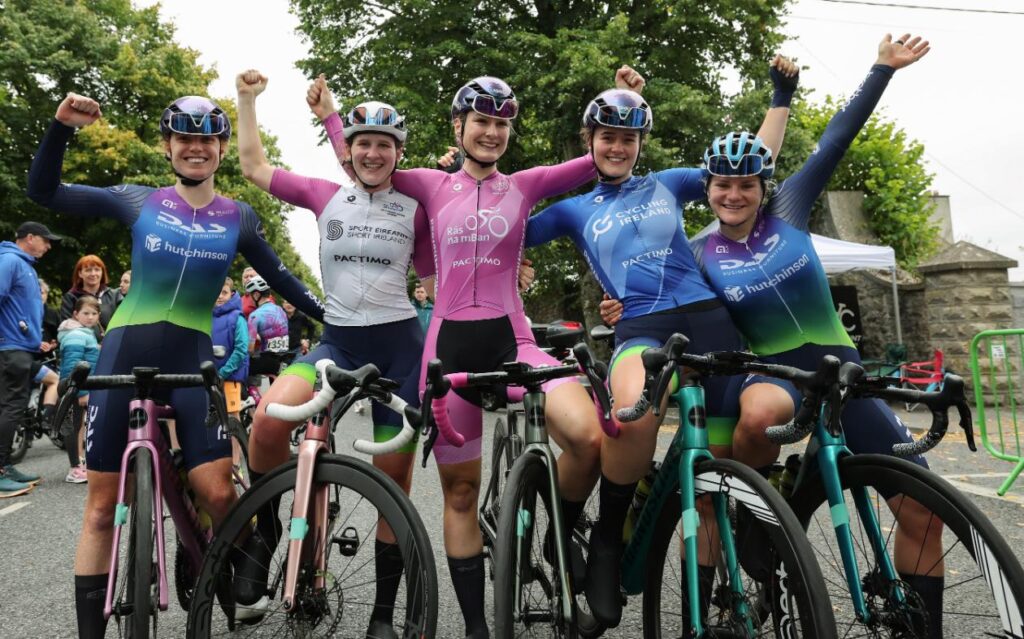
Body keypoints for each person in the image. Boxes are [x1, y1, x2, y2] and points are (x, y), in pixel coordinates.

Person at [602, 34, 940, 633]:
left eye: (746, 185)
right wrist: (620, 307)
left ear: (763, 188)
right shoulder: (698, 252)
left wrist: (881, 69)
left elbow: (837, 136)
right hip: (773, 375)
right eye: (720, 186)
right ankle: (756, 516)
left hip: (841, 372)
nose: (733, 195)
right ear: (704, 191)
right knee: (756, 421)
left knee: (920, 511)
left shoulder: (789, 209)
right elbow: (640, 249)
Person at [321, 71, 640, 638]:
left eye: (501, 124)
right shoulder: (426, 183)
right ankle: (475, 627)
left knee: (589, 439)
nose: (492, 133)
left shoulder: (525, 185)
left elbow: (603, 155)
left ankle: (556, 531)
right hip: (446, 352)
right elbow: (364, 159)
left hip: (513, 339)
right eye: (482, 122)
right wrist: (331, 116)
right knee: (461, 493)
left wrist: (628, 99)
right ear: (459, 126)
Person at [27, 91, 325, 639]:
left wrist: (331, 317)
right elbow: (45, 192)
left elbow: (282, 279)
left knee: (216, 492)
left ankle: (224, 550)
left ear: (218, 148)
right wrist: (61, 127)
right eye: (184, 137)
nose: (195, 147)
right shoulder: (137, 200)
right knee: (98, 509)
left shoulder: (239, 216)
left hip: (192, 355)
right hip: (125, 351)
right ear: (168, 147)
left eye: (206, 138)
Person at [524, 57, 798, 626]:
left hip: (709, 319)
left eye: (629, 137)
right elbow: (503, 229)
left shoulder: (669, 182)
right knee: (629, 415)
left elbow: (749, 166)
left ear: (640, 141)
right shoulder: (575, 209)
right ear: (590, 141)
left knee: (716, 471)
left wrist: (780, 93)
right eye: (608, 137)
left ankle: (732, 553)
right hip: (642, 326)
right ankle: (605, 539)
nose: (619, 147)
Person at [234, 69, 432, 637]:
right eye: (363, 143)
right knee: (268, 424)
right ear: (348, 149)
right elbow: (253, 166)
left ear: (398, 154)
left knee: (390, 484)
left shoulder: (416, 206)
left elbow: (441, 283)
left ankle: (384, 613)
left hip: (400, 349)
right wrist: (247, 100)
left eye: (385, 145)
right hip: (337, 341)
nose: (373, 153)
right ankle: (269, 534)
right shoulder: (326, 196)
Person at [0, 221, 59, 498]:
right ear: (30, 238)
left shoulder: (24, 264)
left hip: (20, 347)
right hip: (9, 349)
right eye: (45, 241)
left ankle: (6, 466)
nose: (48, 246)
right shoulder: (10, 260)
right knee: (11, 407)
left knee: (15, 406)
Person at [58, 295, 102, 484]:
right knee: (73, 427)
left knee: (79, 427)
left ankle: (79, 464)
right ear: (76, 314)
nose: (90, 317)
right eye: (86, 313)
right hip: (74, 388)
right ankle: (74, 468)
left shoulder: (87, 333)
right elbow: (71, 367)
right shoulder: (76, 334)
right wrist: (82, 392)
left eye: (94, 313)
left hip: (79, 387)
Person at [212, 278, 249, 473]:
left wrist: (224, 372)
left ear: (231, 293)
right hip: (210, 378)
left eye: (224, 292)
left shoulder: (238, 317)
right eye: (216, 292)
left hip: (230, 378)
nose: (219, 296)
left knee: (232, 420)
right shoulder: (206, 316)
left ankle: (236, 464)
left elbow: (241, 349)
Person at [59, 254, 118, 337]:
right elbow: (66, 328)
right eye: (88, 270)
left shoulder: (114, 295)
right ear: (80, 273)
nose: (93, 274)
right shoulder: (71, 297)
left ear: (102, 272)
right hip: (82, 346)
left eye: (97, 270)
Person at [244, 275, 290, 375]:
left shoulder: (254, 316)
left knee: (241, 369)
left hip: (266, 362)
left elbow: (249, 349)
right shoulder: (281, 310)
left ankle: (251, 390)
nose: (250, 300)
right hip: (284, 359)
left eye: (250, 296)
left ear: (256, 295)